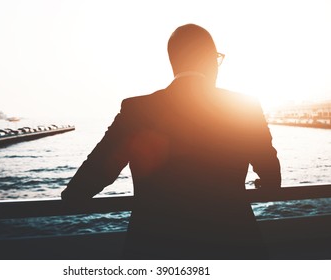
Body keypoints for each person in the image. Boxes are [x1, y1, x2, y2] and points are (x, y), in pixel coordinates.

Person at [61, 24, 281, 259]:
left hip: (158, 246)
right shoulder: (243, 107)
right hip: (233, 244)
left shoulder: (137, 109)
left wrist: (73, 196)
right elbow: (271, 177)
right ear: (209, 60)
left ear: (174, 62)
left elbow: (99, 170)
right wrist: (261, 185)